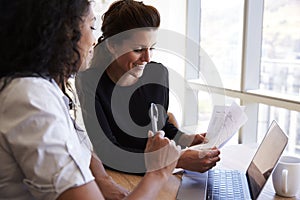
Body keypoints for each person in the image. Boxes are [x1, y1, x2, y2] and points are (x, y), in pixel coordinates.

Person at [0, 1, 181, 200]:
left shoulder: (42, 88)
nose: (94, 40)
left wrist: (102, 180)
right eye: (91, 27)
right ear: (62, 33)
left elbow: (79, 146)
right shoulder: (30, 98)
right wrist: (157, 172)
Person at [76, 0, 220, 174]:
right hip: (120, 176)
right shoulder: (89, 82)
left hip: (157, 174)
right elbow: (109, 154)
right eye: (138, 49)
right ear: (113, 45)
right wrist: (177, 160)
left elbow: (161, 125)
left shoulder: (158, 73)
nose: (147, 58)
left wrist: (188, 139)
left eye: (152, 48)